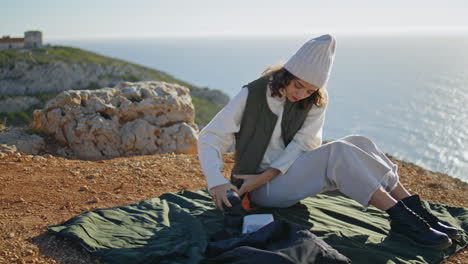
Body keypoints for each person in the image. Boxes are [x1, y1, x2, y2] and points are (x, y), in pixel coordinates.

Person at [197, 34, 459, 249]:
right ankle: (402, 220)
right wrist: (217, 181)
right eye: (298, 85)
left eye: (310, 90)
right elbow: (210, 136)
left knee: (361, 141)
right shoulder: (252, 94)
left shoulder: (313, 102)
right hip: (257, 190)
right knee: (338, 152)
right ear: (287, 74)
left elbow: (304, 144)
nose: (302, 94)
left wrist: (268, 175)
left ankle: (418, 214)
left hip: (281, 177)